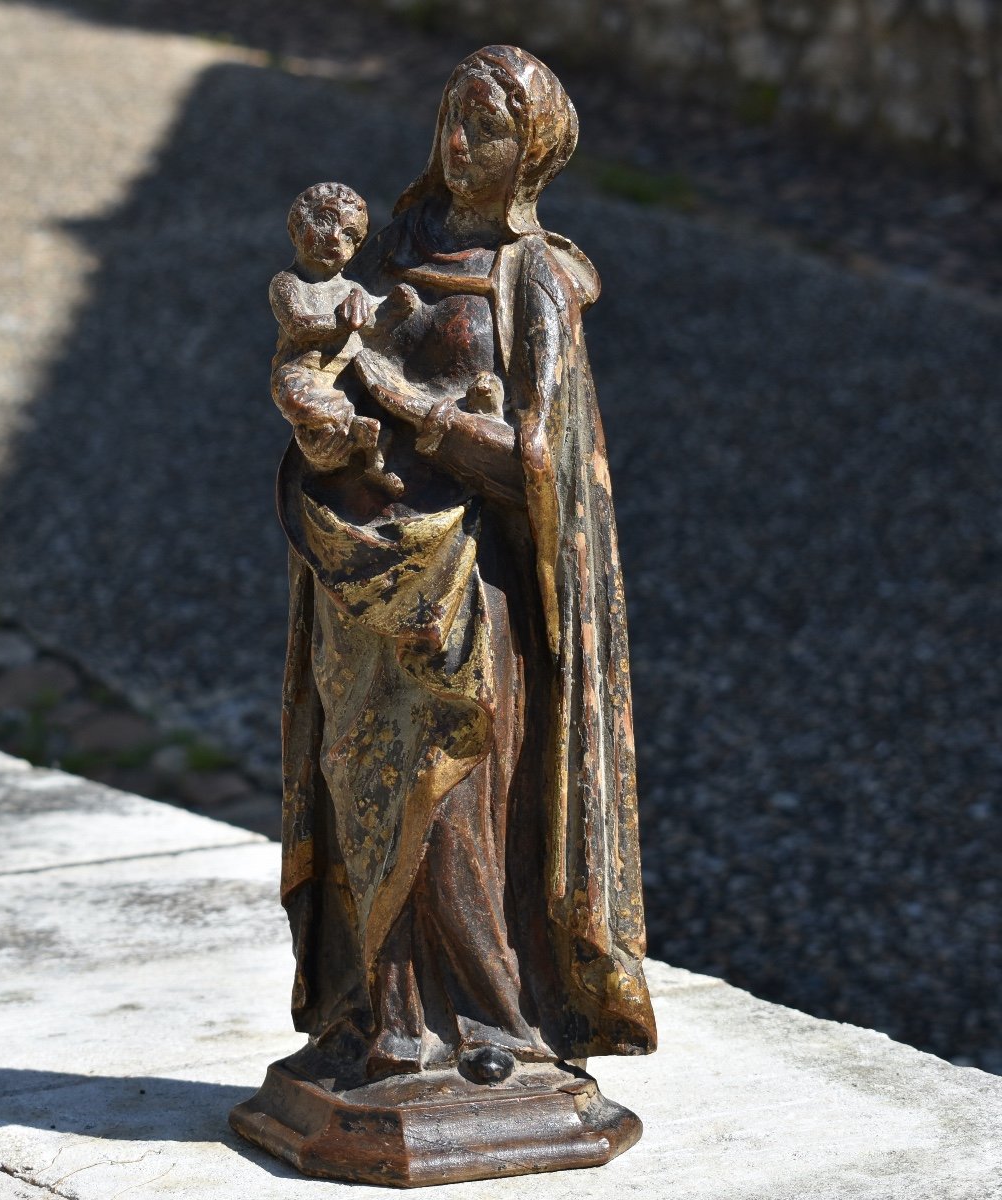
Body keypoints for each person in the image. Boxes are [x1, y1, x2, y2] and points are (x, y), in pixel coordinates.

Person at [275, 45, 656, 1090]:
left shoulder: (532, 277)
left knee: (450, 798)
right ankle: (378, 1023)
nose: (458, 141)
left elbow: (538, 460)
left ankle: (492, 1019)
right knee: (361, 787)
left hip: (469, 586)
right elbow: (317, 358)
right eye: (452, 115)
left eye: (486, 126)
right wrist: (311, 414)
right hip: (365, 570)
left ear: (529, 152)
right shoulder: (394, 242)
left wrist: (408, 406)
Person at [269, 182, 402, 496]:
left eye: (349, 235)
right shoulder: (288, 283)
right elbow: (298, 325)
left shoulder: (352, 290)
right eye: (326, 221)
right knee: (296, 400)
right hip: (304, 372)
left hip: (350, 374)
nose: (334, 237)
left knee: (386, 402)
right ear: (298, 225)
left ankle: (375, 459)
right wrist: (341, 321)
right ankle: (355, 438)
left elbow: (374, 320)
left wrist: (395, 309)